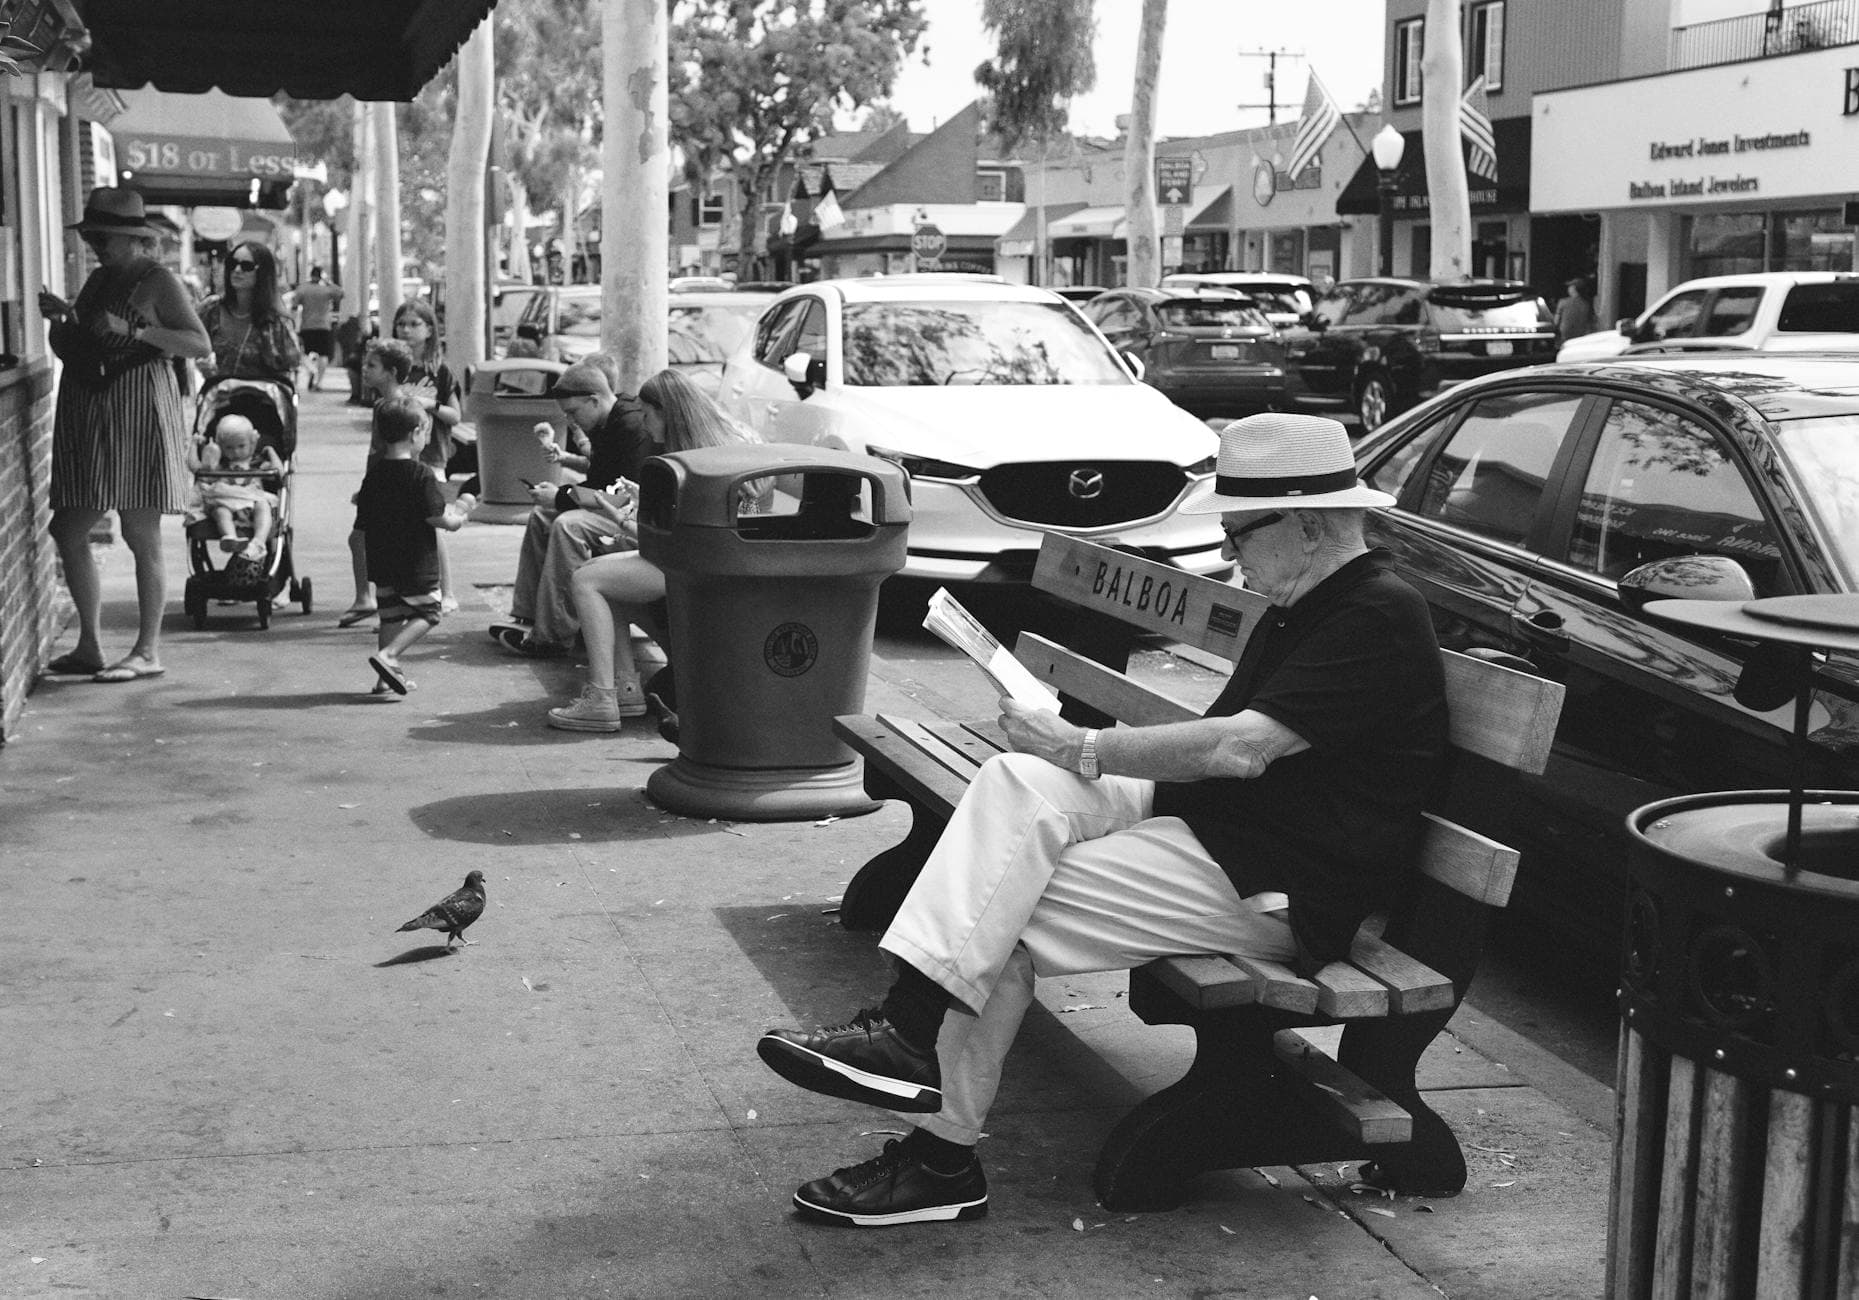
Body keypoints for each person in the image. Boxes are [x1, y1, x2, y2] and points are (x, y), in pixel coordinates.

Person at [754, 412, 1451, 1227]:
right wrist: (1067, 750)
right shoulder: (1312, 600)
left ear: (1304, 524)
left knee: (992, 916)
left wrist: (1084, 744)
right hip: (1221, 830)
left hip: (1279, 881)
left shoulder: (1374, 616)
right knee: (1017, 782)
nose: (1229, 551)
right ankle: (908, 1038)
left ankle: (939, 1155)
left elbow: (1241, 751)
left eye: (1239, 531)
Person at [38, 187, 211, 683]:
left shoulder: (160, 282)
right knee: (69, 528)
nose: (97, 245)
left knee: (140, 531)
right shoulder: (99, 279)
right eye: (93, 236)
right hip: (94, 408)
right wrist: (63, 320)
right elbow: (82, 342)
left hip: (138, 409)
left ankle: (147, 650)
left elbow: (196, 343)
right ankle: (90, 645)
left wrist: (137, 332)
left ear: (134, 239)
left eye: (105, 237)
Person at [546, 368, 764, 731]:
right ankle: (626, 689)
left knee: (586, 579)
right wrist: (639, 505)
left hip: (700, 567)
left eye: (648, 416)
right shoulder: (718, 445)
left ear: (666, 411)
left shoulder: (689, 461)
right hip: (712, 562)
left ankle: (601, 697)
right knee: (607, 581)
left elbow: (672, 540)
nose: (645, 426)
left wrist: (623, 522)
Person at [489, 359, 650, 658]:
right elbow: (601, 480)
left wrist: (561, 497)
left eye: (574, 412)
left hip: (634, 516)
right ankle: (530, 614)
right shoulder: (607, 421)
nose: (571, 420)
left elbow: (619, 498)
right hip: (616, 509)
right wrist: (559, 492)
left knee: (568, 525)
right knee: (541, 517)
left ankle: (552, 637)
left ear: (594, 399)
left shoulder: (628, 425)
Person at [352, 393, 474, 697]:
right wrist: (460, 514)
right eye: (427, 433)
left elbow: (362, 524)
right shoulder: (421, 474)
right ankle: (389, 656)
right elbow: (437, 519)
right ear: (416, 434)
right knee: (431, 613)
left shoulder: (374, 475)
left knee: (390, 617)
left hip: (382, 563)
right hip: (416, 563)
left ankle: (385, 679)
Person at [391, 299, 466, 611]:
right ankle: (403, 590)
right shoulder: (393, 368)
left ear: (430, 330)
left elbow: (456, 416)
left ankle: (446, 592)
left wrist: (428, 404)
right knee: (396, 524)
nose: (407, 331)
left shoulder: (440, 371)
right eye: (401, 324)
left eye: (414, 324)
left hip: (431, 455)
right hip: (396, 454)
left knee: (431, 522)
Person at [337, 338, 417, 627]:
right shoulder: (393, 403)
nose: (365, 370)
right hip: (387, 483)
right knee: (366, 540)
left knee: (371, 541)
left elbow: (380, 450)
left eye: (372, 365)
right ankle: (373, 601)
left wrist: (369, 486)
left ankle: (377, 602)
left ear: (392, 371)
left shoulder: (390, 406)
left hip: (386, 484)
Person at [198, 241, 302, 385]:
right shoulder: (211, 309)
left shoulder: (276, 320)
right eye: (232, 264)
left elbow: (291, 365)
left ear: (263, 272)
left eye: (247, 266)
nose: (237, 270)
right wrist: (203, 365)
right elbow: (192, 344)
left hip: (262, 402)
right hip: (219, 399)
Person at [189, 413, 284, 561]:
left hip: (251, 504)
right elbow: (196, 468)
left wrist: (271, 452)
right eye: (229, 448)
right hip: (225, 501)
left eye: (241, 446)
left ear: (252, 443)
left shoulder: (257, 463)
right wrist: (194, 445)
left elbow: (279, 472)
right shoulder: (219, 464)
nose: (236, 452)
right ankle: (230, 537)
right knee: (221, 512)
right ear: (220, 447)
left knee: (263, 506)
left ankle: (258, 543)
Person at [291, 265, 343, 390]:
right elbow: (341, 293)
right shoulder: (326, 290)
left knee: (303, 353)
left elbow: (294, 305)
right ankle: (319, 382)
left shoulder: (303, 289)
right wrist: (328, 282)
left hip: (307, 326)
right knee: (323, 354)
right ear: (320, 275)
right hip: (324, 326)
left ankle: (311, 369)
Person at [1554, 276, 1597, 346]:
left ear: (1573, 288)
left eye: (1570, 286)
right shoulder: (1587, 304)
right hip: (1580, 337)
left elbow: (1556, 321)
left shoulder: (1563, 302)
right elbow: (1592, 322)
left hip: (1564, 337)